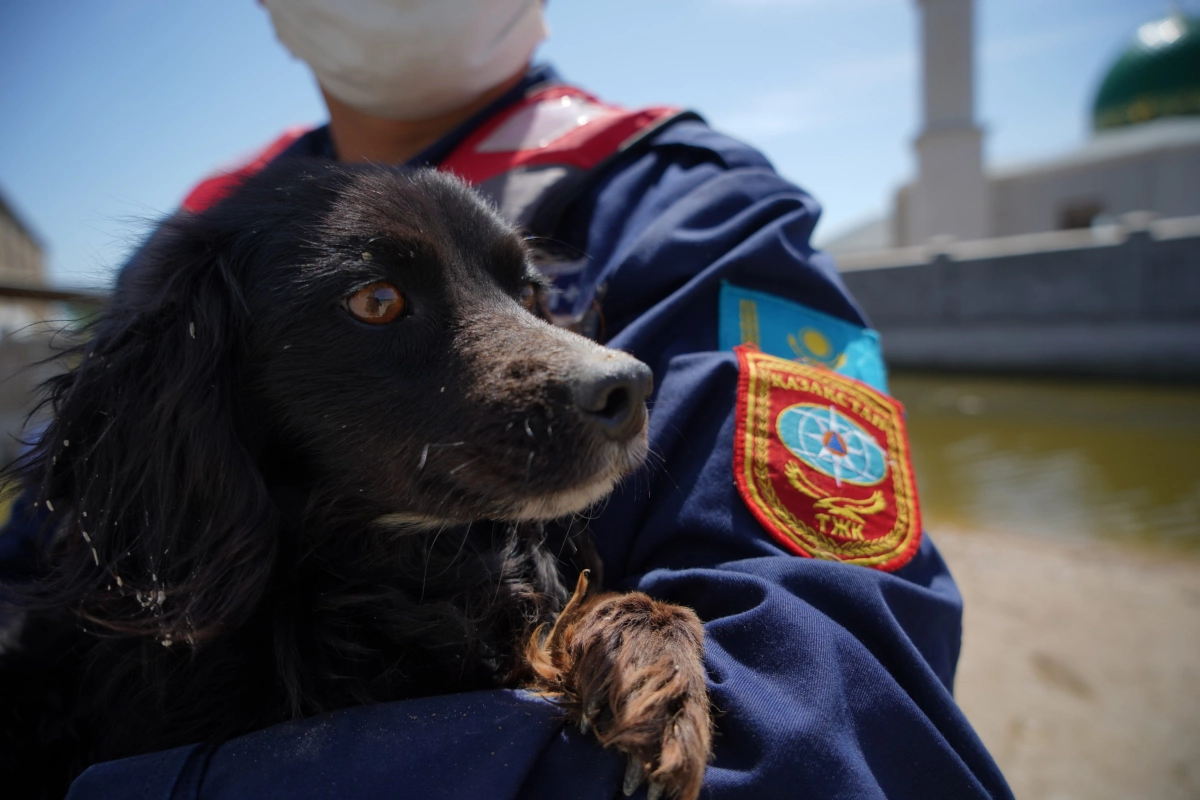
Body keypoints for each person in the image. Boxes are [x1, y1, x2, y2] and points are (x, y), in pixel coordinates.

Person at [12, 1, 1013, 797]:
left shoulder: (695, 207)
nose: (594, 361)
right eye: (378, 301)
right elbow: (44, 565)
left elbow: (836, 708)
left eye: (532, 294)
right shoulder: (195, 243)